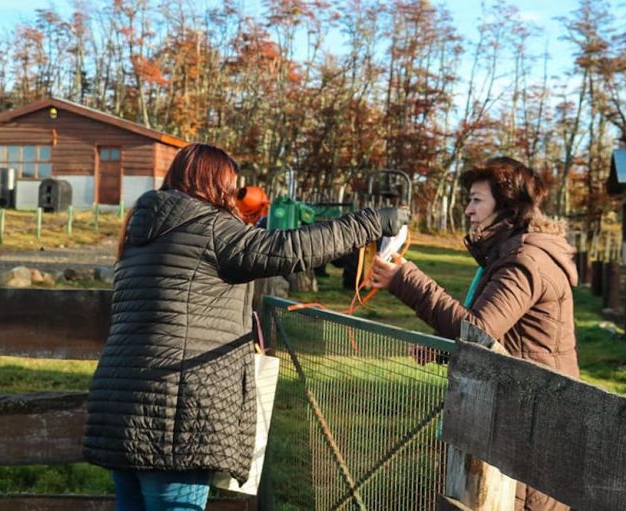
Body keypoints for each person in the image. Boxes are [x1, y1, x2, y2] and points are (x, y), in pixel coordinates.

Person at [82, 143, 409, 511]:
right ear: (214, 183)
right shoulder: (208, 228)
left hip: (121, 404)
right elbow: (291, 248)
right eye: (231, 185)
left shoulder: (141, 230)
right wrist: (369, 222)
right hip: (174, 414)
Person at [371, 156, 578, 511]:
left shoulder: (525, 260)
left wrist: (403, 279)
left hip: (530, 421)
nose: (468, 210)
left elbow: (479, 329)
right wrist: (442, 350)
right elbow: (505, 334)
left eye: (477, 200)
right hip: (520, 410)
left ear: (509, 205)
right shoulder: (512, 252)